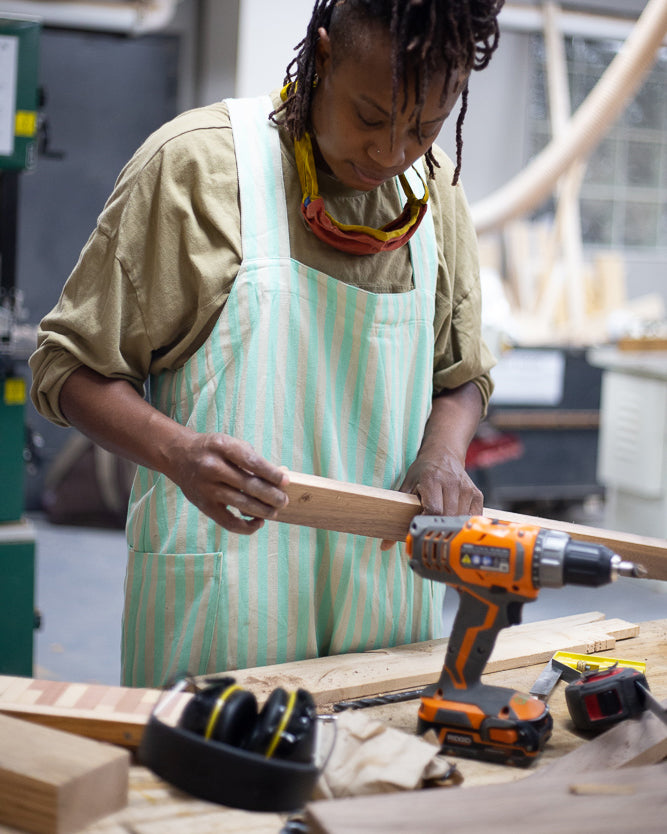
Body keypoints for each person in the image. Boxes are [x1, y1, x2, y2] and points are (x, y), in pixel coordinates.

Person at [30, 0, 504, 688]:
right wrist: (177, 453)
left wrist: (440, 456)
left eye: (423, 126)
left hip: (380, 616)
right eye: (370, 116)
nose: (390, 152)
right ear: (324, 54)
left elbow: (460, 376)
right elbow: (68, 367)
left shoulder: (433, 198)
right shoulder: (198, 168)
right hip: (225, 609)